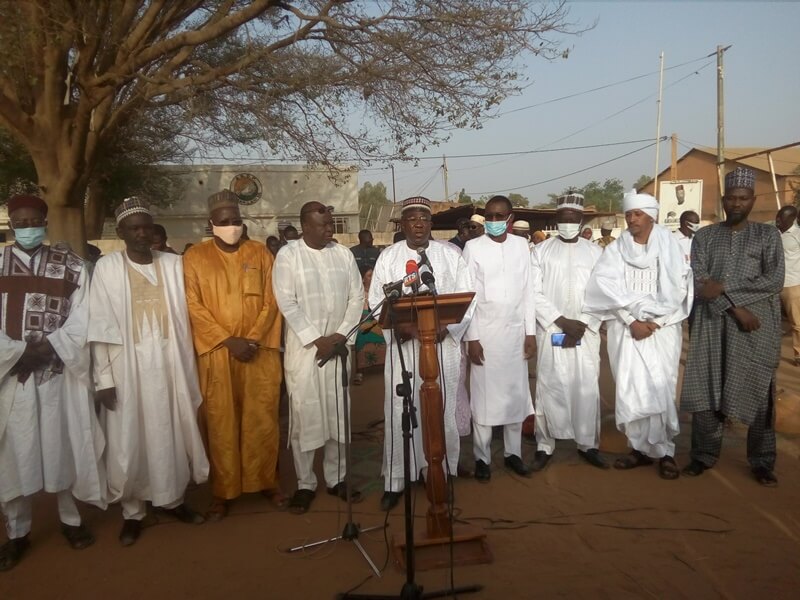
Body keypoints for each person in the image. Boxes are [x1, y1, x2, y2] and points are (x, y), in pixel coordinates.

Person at [89, 198, 208, 546]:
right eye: (134, 228)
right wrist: (104, 379)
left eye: (147, 226)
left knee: (171, 432)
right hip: (127, 371)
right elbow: (99, 326)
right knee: (130, 440)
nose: (142, 233)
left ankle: (172, 500)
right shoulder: (108, 268)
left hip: (171, 367)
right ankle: (133, 512)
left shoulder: (173, 265)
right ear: (122, 232)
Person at [0, 194, 106, 571]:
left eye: (34, 222)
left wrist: (52, 347)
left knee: (61, 446)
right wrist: (15, 354)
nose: (28, 228)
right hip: (12, 380)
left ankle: (70, 521)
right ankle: (17, 533)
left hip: (57, 373)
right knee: (13, 456)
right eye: (21, 223)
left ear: (45, 222)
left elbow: (83, 316)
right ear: (12, 224)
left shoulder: (72, 266)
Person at [183, 190, 284, 520]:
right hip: (217, 353)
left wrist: (251, 340)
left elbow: (272, 300)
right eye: (225, 222)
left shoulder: (260, 253)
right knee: (220, 421)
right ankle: (222, 492)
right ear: (210, 224)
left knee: (262, 419)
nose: (232, 227)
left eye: (237, 221)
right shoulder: (195, 258)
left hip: (258, 352)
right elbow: (192, 306)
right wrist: (228, 340)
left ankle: (266, 481)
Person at [681, 167, 784, 486]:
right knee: (707, 389)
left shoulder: (768, 235)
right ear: (723, 200)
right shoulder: (705, 236)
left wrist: (725, 289)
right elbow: (699, 280)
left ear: (753, 200)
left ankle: (762, 461)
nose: (737, 203)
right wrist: (734, 308)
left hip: (755, 327)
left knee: (758, 392)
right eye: (731, 198)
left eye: (743, 198)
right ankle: (703, 455)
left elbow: (773, 280)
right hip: (713, 324)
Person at [369, 196, 472, 511]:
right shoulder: (389, 257)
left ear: (430, 224)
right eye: (412, 219)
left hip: (441, 347)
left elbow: (468, 298)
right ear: (403, 224)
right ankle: (397, 479)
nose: (418, 224)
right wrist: (401, 328)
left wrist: (448, 329)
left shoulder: (451, 255)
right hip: (405, 349)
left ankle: (440, 471)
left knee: (441, 410)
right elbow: (376, 301)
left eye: (424, 219)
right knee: (402, 410)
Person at [584, 190, 691, 480]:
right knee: (630, 387)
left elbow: (679, 290)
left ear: (651, 215)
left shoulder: (671, 247)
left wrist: (656, 321)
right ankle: (639, 449)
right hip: (627, 329)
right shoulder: (616, 249)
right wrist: (631, 320)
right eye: (629, 214)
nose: (632, 219)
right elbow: (604, 288)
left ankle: (665, 451)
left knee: (661, 386)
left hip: (662, 330)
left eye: (638, 213)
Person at [272, 201, 364, 514]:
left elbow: (357, 298)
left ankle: (336, 478)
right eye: (323, 225)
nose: (329, 230)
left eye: (330, 224)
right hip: (305, 352)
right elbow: (286, 301)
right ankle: (305, 483)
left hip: (338, 349)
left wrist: (339, 336)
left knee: (338, 413)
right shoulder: (288, 255)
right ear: (305, 227)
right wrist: (316, 339)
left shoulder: (343, 254)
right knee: (304, 416)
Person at [530, 193, 607, 471]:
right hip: (553, 329)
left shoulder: (596, 253)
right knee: (549, 385)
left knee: (586, 387)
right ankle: (544, 443)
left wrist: (583, 322)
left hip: (586, 333)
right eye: (562, 219)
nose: (567, 223)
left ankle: (588, 444)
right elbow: (533, 292)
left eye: (573, 219)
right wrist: (562, 321)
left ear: (581, 220)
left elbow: (602, 292)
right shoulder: (540, 251)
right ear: (557, 220)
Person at [463, 195, 535, 482]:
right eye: (489, 216)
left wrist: (530, 332)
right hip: (485, 334)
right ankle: (482, 457)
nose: (493, 221)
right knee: (483, 399)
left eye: (498, 216)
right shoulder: (472, 247)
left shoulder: (521, 246)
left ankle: (513, 453)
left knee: (514, 396)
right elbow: (467, 297)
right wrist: (472, 337)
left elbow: (529, 291)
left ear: (510, 216)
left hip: (515, 334)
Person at [776, 205, 800, 366]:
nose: (778, 220)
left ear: (791, 219)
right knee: (771, 322)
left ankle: (798, 354)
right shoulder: (774, 233)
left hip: (792, 285)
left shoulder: (798, 235)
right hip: (774, 285)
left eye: (781, 218)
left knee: (796, 322)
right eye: (777, 217)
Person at [353, 267, 386, 385]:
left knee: (389, 333)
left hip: (378, 322)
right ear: (362, 279)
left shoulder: (380, 293)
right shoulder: (358, 294)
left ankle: (387, 366)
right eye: (369, 276)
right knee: (361, 335)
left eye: (373, 276)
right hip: (362, 324)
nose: (372, 279)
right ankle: (359, 372)